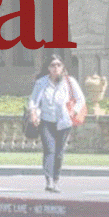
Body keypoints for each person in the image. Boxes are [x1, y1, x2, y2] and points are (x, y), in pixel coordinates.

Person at [27, 54, 86, 192]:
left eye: (58, 65)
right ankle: (48, 181)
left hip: (64, 122)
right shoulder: (41, 82)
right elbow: (33, 100)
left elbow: (81, 99)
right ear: (48, 68)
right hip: (46, 121)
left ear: (62, 67)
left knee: (59, 152)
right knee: (49, 150)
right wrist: (33, 113)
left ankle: (56, 180)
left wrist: (73, 112)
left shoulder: (69, 81)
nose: (56, 68)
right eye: (53, 65)